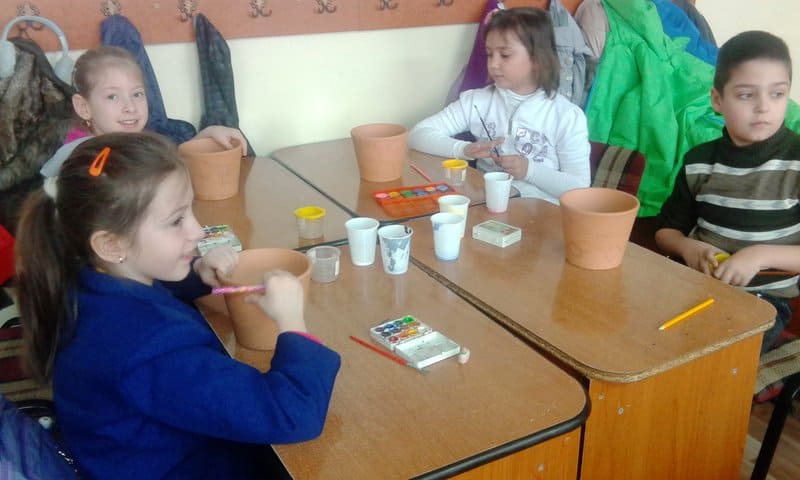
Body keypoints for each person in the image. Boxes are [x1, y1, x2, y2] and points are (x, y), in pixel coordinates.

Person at [15, 131, 341, 479]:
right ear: (111, 245)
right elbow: (292, 415)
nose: (198, 231)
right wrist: (292, 323)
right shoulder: (152, 349)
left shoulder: (81, 276)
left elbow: (143, 297)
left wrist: (196, 274)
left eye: (190, 211)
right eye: (176, 220)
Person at [655, 30, 800, 354]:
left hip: (765, 302)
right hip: (697, 289)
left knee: (715, 354)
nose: (764, 107)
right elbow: (666, 232)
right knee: (647, 336)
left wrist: (759, 256)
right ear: (717, 100)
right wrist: (689, 247)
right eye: (747, 95)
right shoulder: (698, 162)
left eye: (777, 94)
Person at [408, 7, 591, 204]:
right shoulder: (476, 101)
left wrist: (530, 171)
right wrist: (464, 149)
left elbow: (580, 187)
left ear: (538, 59)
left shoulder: (566, 116)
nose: (493, 64)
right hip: (488, 208)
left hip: (541, 214)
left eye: (505, 55)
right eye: (489, 54)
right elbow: (418, 134)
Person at [39, 46, 247, 178]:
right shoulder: (80, 157)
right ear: (84, 107)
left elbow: (166, 161)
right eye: (112, 97)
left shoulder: (128, 142)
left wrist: (206, 135)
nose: (130, 107)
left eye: (137, 94)